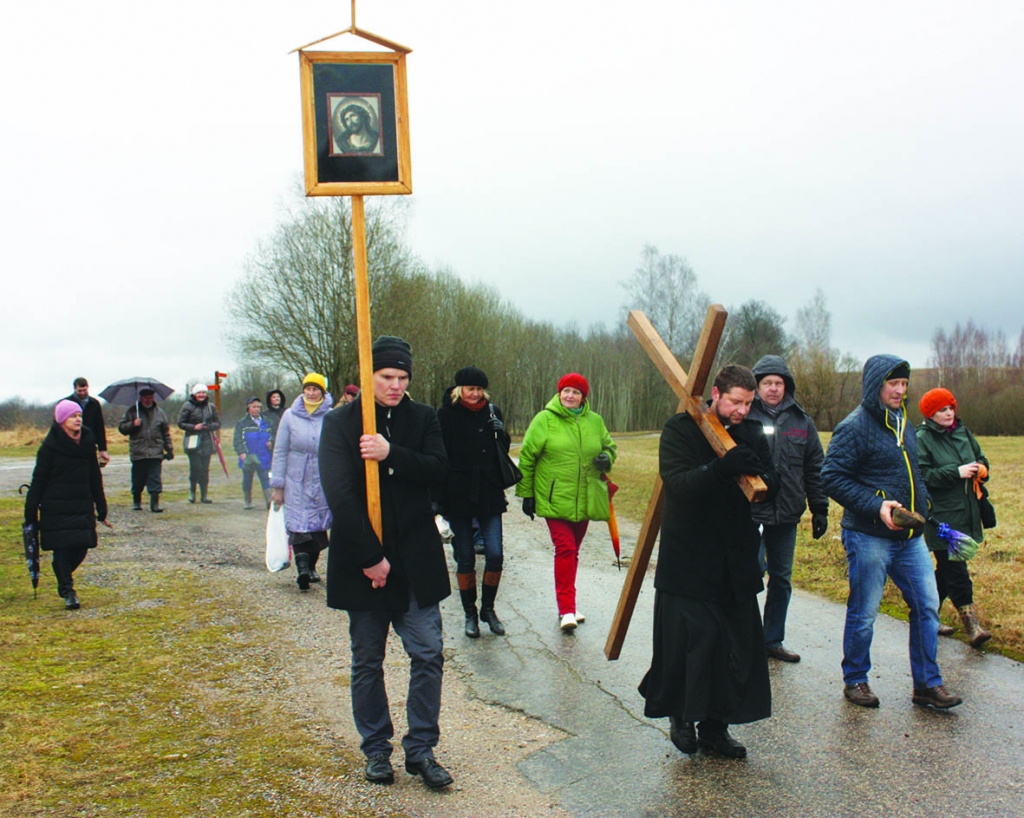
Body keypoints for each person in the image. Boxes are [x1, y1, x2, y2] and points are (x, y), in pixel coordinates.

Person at [320, 336, 454, 790]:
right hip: (365, 564)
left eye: (402, 378)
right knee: (367, 660)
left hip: (416, 560)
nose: (396, 386)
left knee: (428, 654)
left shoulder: (424, 418)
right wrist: (370, 557)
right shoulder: (341, 424)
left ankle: (421, 748)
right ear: (369, 376)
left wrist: (390, 454)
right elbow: (339, 493)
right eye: (386, 377)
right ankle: (377, 749)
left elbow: (439, 469)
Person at [638, 365, 779, 759]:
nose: (742, 411)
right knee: (693, 645)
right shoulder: (681, 429)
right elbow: (679, 485)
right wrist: (721, 469)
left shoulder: (751, 431)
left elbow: (772, 483)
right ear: (716, 393)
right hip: (689, 559)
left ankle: (716, 728)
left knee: (734, 648)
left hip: (734, 558)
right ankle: (681, 716)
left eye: (749, 403)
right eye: (736, 401)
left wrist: (763, 479)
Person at [821, 355, 962, 710]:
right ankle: (856, 679)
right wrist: (876, 505)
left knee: (928, 606)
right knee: (865, 612)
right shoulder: (853, 427)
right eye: (893, 384)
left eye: (903, 384)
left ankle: (927, 685)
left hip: (909, 539)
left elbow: (914, 471)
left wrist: (925, 504)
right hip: (868, 536)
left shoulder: (905, 424)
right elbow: (831, 477)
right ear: (875, 386)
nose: (900, 390)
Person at [516, 372, 616, 631]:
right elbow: (527, 457)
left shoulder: (595, 421)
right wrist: (526, 494)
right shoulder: (544, 420)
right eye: (566, 391)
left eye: (576, 392)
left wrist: (607, 457)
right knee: (566, 550)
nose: (570, 396)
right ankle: (566, 610)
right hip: (554, 499)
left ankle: (569, 603)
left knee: (573, 552)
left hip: (585, 498)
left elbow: (609, 446)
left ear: (584, 397)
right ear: (559, 393)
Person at [747, 355, 829, 663]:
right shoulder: (746, 414)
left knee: (781, 578)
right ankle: (745, 635)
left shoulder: (801, 421)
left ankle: (772, 640)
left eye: (778, 383)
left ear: (787, 386)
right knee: (751, 571)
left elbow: (814, 467)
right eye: (766, 383)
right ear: (757, 386)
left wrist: (819, 507)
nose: (772, 389)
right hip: (751, 512)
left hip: (787, 513)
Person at [437, 366, 511, 638]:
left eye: (479, 389)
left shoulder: (492, 411)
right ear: (459, 390)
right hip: (456, 493)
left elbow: (501, 449)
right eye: (470, 389)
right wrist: (436, 499)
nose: (475, 394)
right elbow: (438, 453)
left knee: (495, 553)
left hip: (489, 491)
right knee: (465, 557)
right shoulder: (444, 414)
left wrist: (500, 433)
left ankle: (488, 609)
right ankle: (470, 614)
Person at [916, 387, 992, 648]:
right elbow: (921, 476)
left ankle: (925, 615)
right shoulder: (922, 438)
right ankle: (972, 627)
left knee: (947, 570)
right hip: (941, 518)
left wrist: (982, 468)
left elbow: (981, 458)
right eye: (942, 410)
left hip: (968, 512)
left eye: (950, 408)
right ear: (930, 414)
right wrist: (955, 472)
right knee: (957, 571)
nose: (948, 413)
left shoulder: (963, 431)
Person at [24, 400, 109, 609]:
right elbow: (39, 480)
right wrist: (30, 510)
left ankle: (62, 573)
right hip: (56, 505)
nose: (78, 419)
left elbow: (94, 476)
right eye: (73, 416)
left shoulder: (88, 442)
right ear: (62, 420)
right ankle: (67, 590)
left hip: (81, 502)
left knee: (81, 547)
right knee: (61, 549)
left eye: (79, 415)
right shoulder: (49, 447)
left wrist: (101, 505)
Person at [269, 375, 333, 589]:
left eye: (316, 389)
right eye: (308, 389)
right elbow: (280, 450)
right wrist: (278, 486)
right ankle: (302, 567)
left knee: (317, 526)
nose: (311, 393)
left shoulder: (330, 416)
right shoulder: (289, 416)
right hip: (295, 475)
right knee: (298, 524)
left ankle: (312, 565)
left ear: (323, 392)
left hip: (321, 474)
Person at [117, 388, 174, 512]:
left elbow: (166, 433)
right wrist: (133, 424)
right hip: (139, 452)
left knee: (155, 478)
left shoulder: (160, 413)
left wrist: (169, 449)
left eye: (151, 397)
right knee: (138, 478)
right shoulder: (132, 412)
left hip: (155, 451)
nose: (148, 400)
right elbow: (122, 428)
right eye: (146, 398)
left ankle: (155, 504)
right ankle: (136, 501)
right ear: (141, 398)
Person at [177, 384, 221, 504]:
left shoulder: (211, 407)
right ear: (194, 394)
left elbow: (218, 423)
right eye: (199, 393)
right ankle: (192, 491)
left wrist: (210, 426)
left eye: (203, 393)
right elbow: (181, 423)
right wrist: (194, 427)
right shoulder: (187, 406)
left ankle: (204, 495)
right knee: (196, 468)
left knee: (205, 470)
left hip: (207, 440)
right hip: (193, 441)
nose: (201, 395)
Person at [233, 397, 273, 511]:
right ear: (248, 408)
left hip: (263, 455)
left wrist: (271, 441)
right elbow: (237, 440)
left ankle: (269, 501)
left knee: (265, 478)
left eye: (258, 407)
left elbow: (273, 434)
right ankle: (247, 500)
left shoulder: (267, 421)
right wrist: (242, 452)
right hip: (248, 455)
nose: (256, 409)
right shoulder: (242, 423)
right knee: (247, 479)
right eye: (253, 407)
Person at [65, 377, 109, 466]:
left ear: (88, 387)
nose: (82, 393)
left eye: (84, 390)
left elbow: (99, 427)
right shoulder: (67, 403)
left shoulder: (94, 403)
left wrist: (103, 449)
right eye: (79, 391)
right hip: (71, 443)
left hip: (90, 442)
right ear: (75, 389)